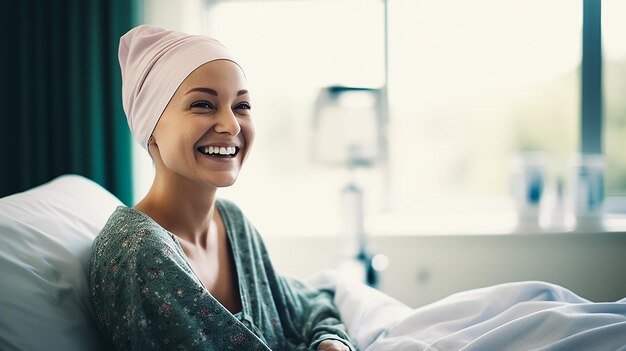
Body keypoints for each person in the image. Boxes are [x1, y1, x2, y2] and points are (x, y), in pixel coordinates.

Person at [89, 24, 354, 351]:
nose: (230, 125)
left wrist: (331, 342)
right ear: (151, 126)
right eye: (203, 104)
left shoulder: (232, 223)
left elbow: (303, 307)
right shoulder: (139, 253)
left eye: (241, 106)